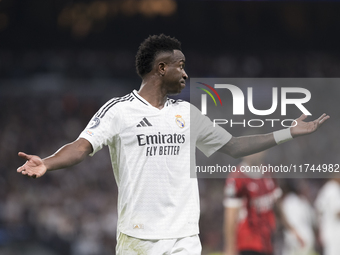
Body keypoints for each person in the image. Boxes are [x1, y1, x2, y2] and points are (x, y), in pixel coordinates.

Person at [17, 34, 329, 254]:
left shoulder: (187, 113)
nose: (186, 73)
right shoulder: (119, 110)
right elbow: (81, 146)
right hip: (139, 239)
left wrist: (287, 132)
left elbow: (233, 146)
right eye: (180, 66)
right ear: (161, 68)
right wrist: (47, 162)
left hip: (184, 239)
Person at [223, 152, 304, 255]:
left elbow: (277, 206)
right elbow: (230, 217)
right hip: (248, 242)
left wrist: (292, 230)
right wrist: (230, 249)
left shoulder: (268, 173)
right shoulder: (236, 178)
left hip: (268, 241)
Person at [314, 177, 340, 255]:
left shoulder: (325, 189)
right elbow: (337, 212)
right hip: (335, 232)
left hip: (326, 231)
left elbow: (317, 209)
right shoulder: (334, 188)